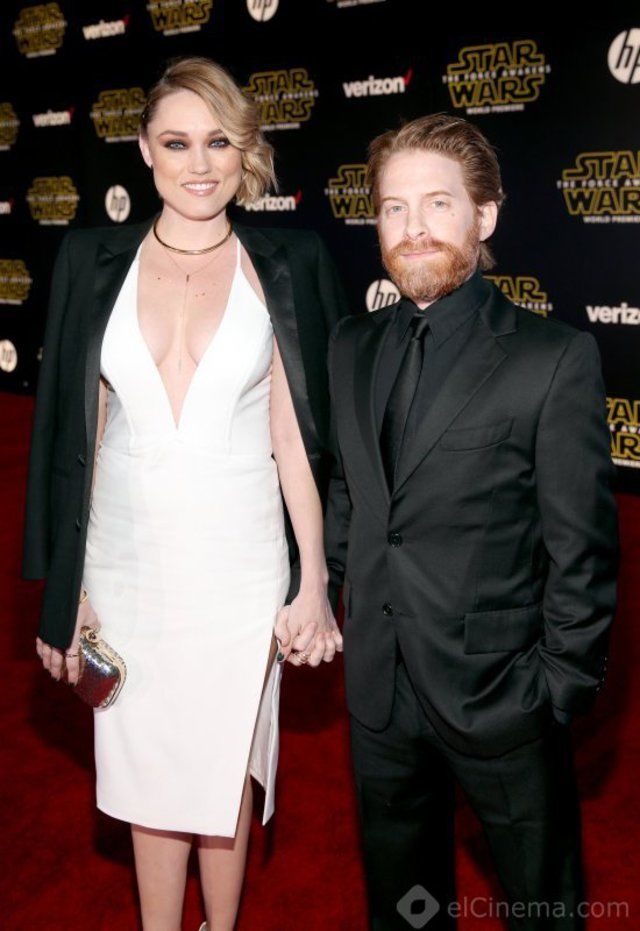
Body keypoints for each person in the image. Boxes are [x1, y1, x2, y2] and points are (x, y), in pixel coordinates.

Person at [22, 56, 344, 931]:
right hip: (123, 561)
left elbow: (297, 438)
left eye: (218, 142)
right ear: (144, 150)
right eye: (176, 143)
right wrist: (65, 587)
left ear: (244, 150)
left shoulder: (287, 262)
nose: (199, 164)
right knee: (145, 770)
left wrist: (315, 580)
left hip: (241, 562)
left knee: (223, 762)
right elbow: (70, 435)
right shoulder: (91, 259)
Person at [324, 113, 618, 930]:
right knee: (404, 907)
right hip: (380, 692)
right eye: (393, 207)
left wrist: (555, 688)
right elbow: (352, 495)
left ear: (483, 216)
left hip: (503, 695)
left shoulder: (550, 358)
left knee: (542, 903)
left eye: (437, 204)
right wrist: (329, 595)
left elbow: (583, 548)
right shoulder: (350, 345)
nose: (413, 227)